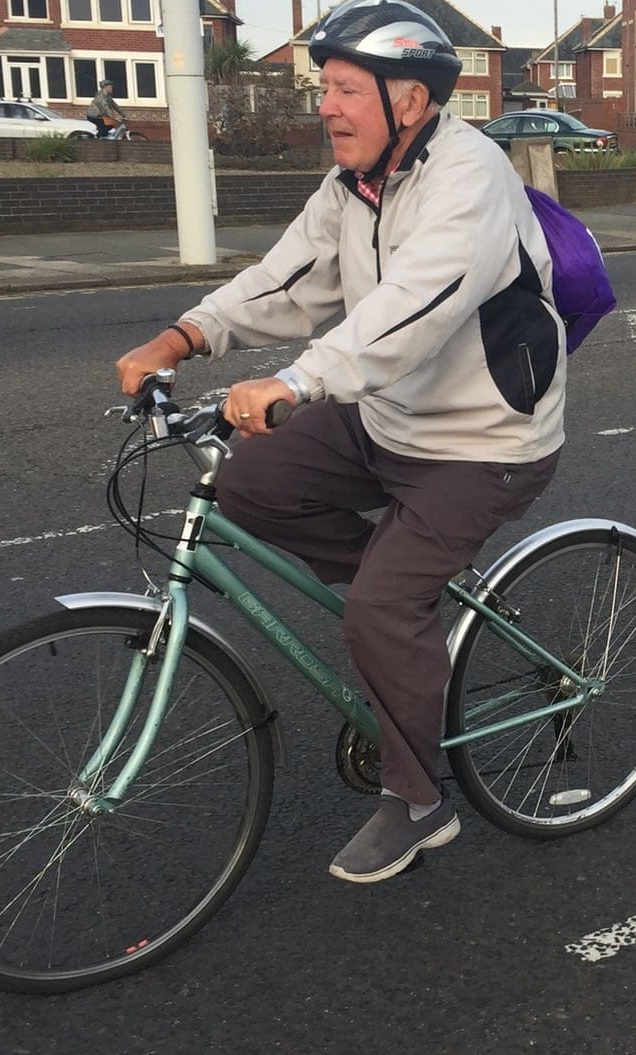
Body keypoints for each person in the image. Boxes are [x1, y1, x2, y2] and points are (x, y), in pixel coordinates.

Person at [113, 0, 565, 884]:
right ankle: (400, 613)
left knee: (379, 610)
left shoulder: (468, 176)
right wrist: (185, 336)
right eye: (327, 87)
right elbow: (288, 278)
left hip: (483, 441)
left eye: (347, 88)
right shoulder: (353, 184)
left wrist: (294, 383)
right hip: (386, 415)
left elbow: (414, 308)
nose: (328, 105)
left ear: (411, 99)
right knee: (249, 487)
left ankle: (420, 801)